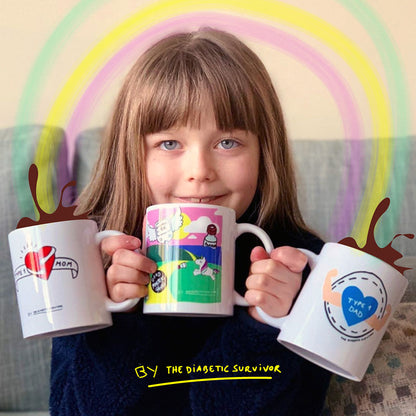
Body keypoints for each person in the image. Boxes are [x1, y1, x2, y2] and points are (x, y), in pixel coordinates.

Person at [50, 28, 331, 415]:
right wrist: (118, 319)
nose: (199, 171)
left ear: (265, 150)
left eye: (227, 142)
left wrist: (263, 326)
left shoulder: (300, 267)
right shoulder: (89, 258)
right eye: (169, 144)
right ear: (131, 154)